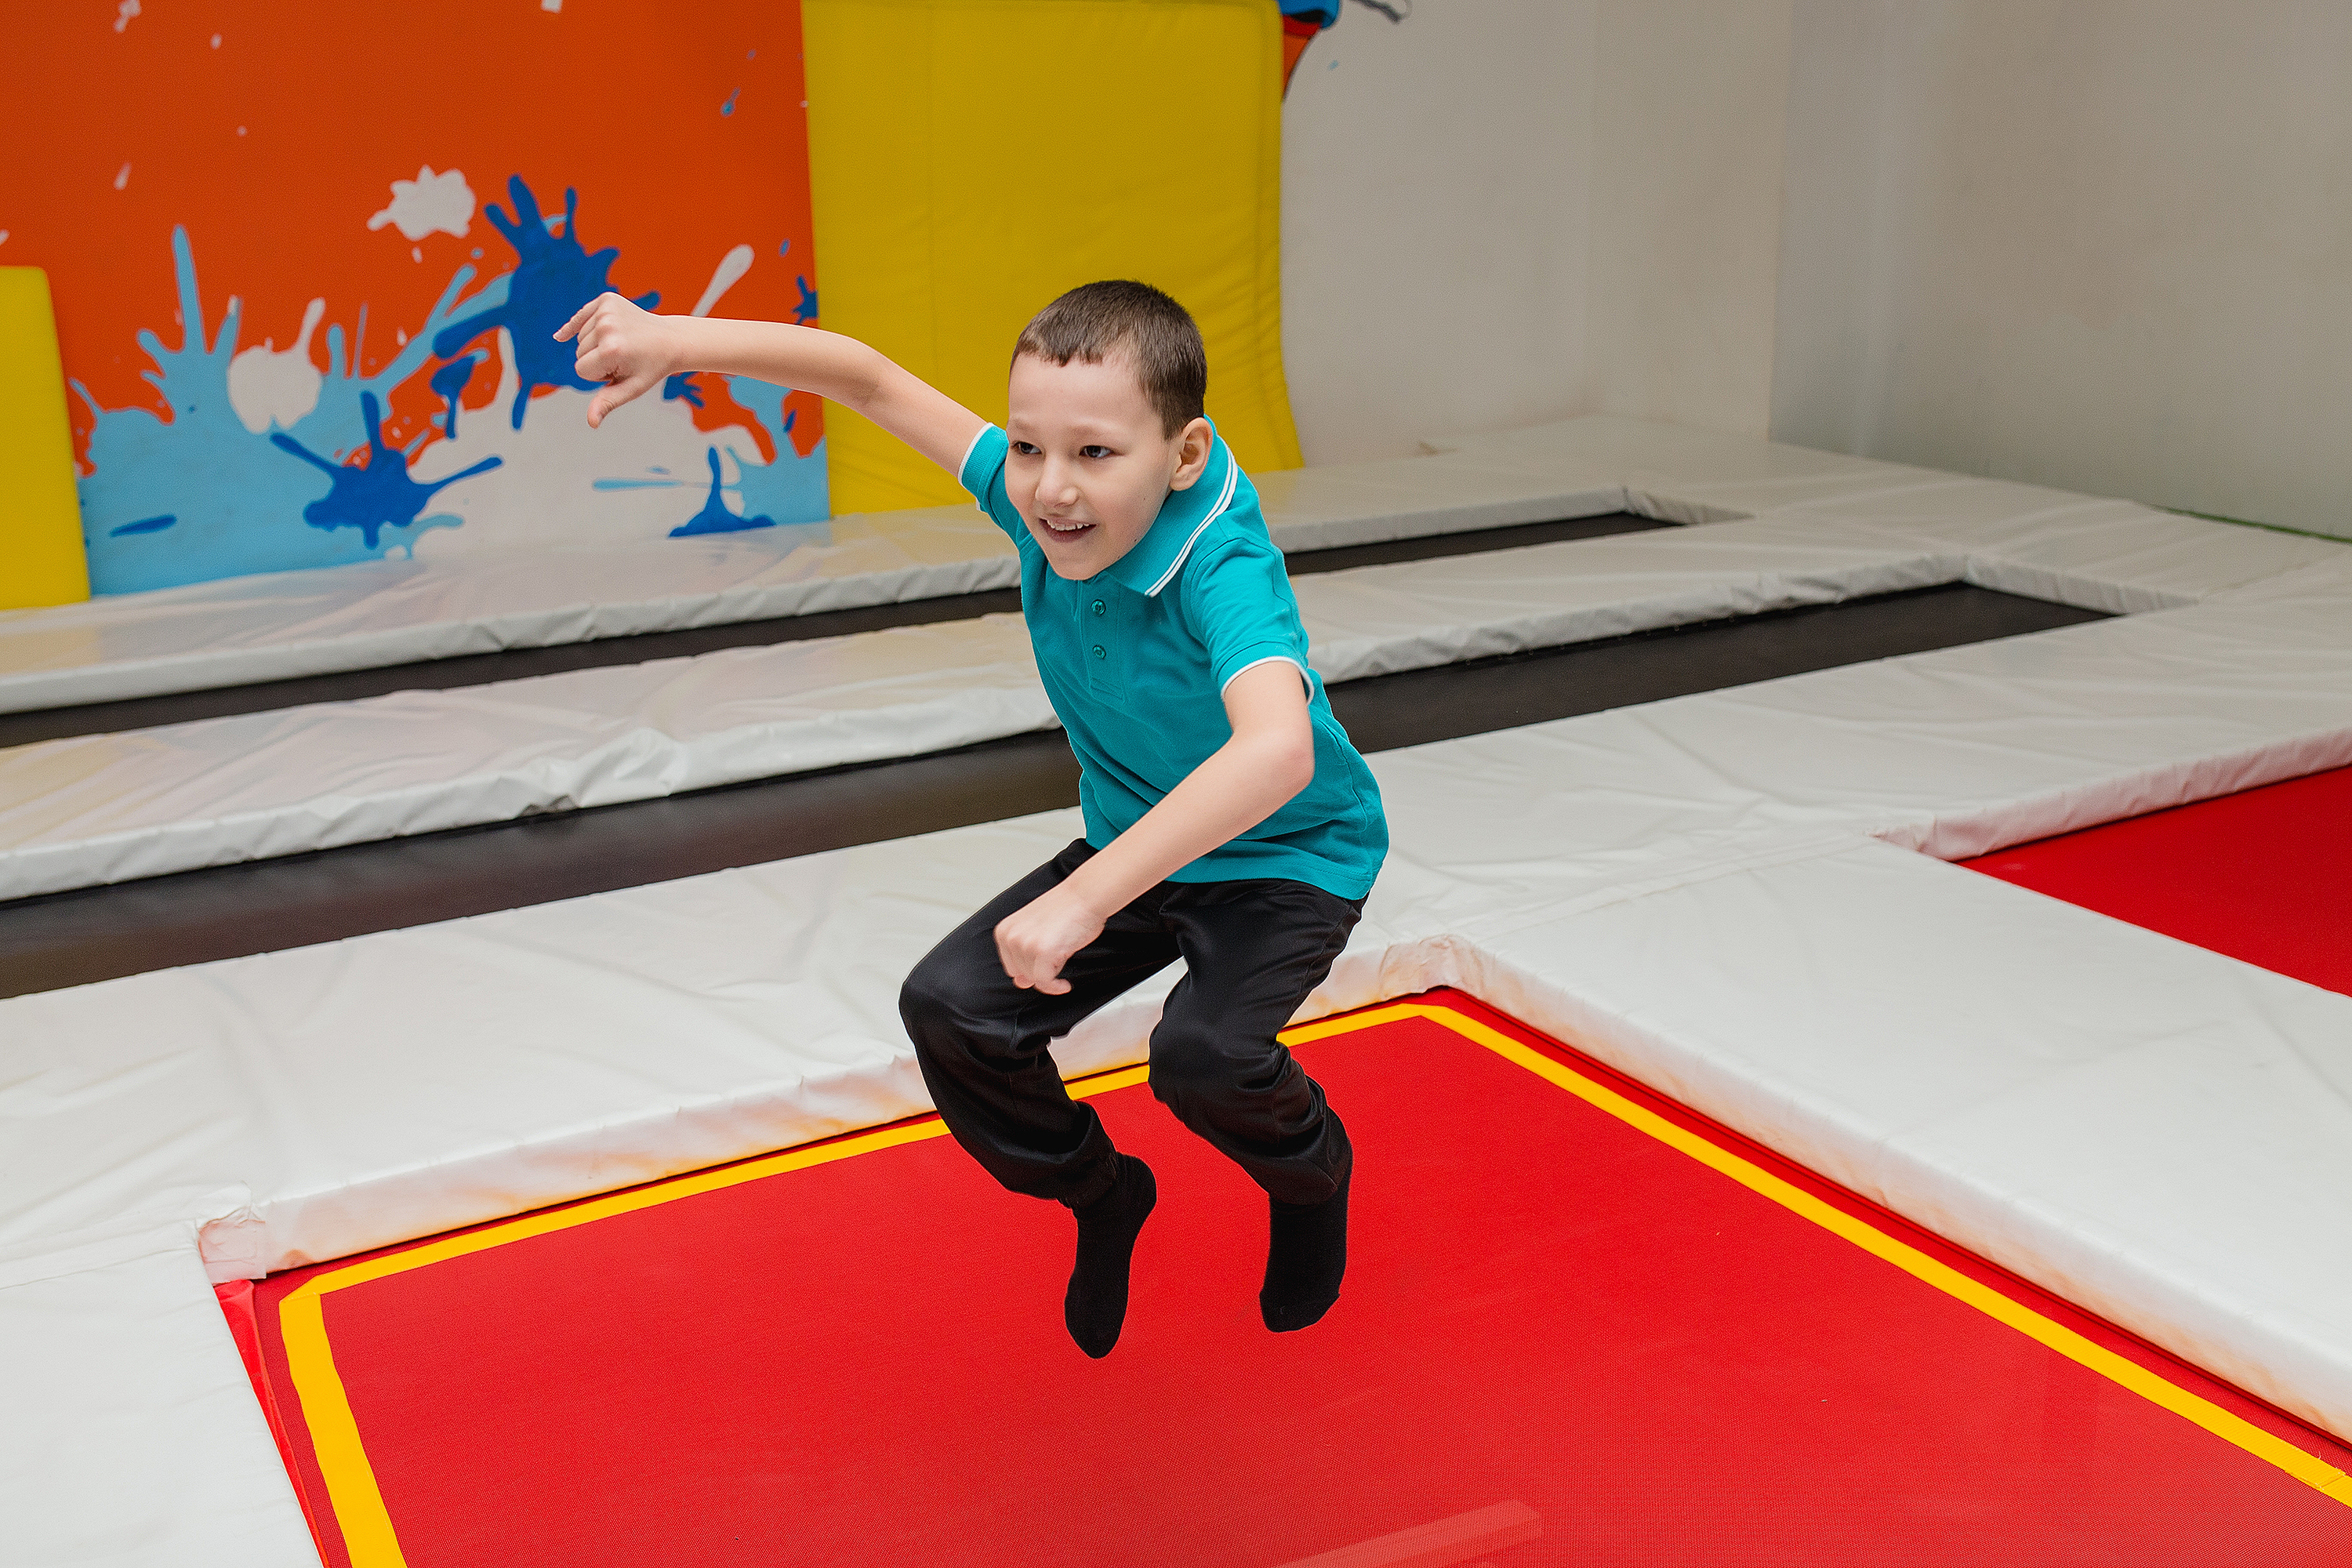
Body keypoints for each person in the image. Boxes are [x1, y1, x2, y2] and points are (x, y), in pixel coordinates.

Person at [559, 280, 1386, 1358]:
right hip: (1144, 835)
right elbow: (866, 376)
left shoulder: (1219, 564)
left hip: (1288, 857)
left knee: (1203, 1057)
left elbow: (1274, 750)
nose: (1050, 490)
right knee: (951, 1009)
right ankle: (1102, 1192)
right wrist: (678, 340)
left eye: (1095, 455)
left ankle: (1314, 1169)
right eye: (1031, 447)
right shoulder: (1038, 489)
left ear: (1183, 457)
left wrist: (1086, 898)